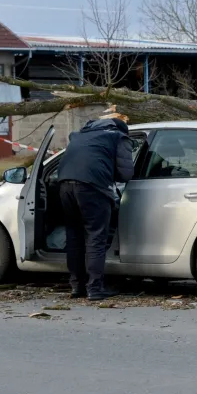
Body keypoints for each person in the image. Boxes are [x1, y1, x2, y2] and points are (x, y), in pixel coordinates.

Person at [58, 118, 134, 301]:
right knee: (96, 236)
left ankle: (77, 286)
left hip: (64, 185)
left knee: (74, 236)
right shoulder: (118, 137)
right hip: (92, 187)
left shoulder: (79, 136)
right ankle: (95, 288)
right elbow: (126, 174)